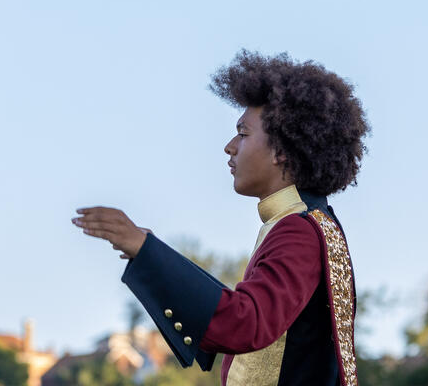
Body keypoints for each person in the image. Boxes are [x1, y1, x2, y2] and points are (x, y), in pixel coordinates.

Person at [73, 50, 370, 386]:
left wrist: (147, 252)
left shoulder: (298, 231)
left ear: (282, 150)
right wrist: (152, 254)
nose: (230, 146)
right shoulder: (307, 222)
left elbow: (244, 323)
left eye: (243, 133)